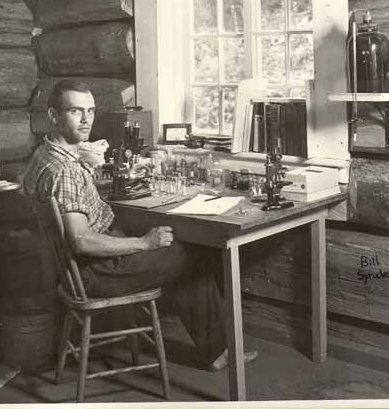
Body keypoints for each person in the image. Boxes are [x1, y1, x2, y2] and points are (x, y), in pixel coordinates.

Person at [23, 79, 257, 371]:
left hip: (74, 270)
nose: (86, 120)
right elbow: (81, 240)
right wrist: (145, 243)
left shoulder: (44, 156)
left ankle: (216, 351)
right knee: (194, 254)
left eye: (91, 111)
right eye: (75, 111)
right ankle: (219, 353)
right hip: (95, 271)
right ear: (53, 116)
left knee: (180, 252)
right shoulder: (66, 171)